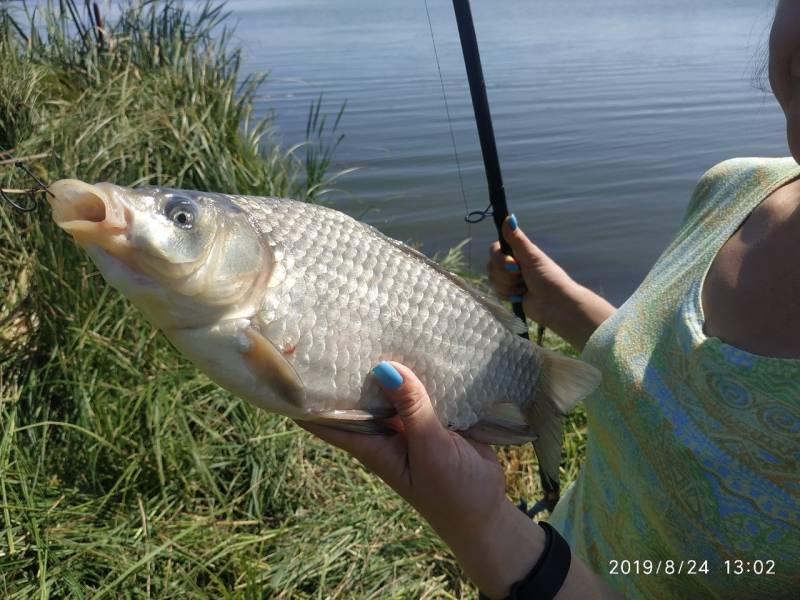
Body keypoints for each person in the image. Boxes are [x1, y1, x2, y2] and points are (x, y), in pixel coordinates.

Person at [300, 2, 800, 598]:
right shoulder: (736, 187)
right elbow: (686, 385)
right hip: (562, 540)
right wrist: (558, 302)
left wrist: (483, 523)